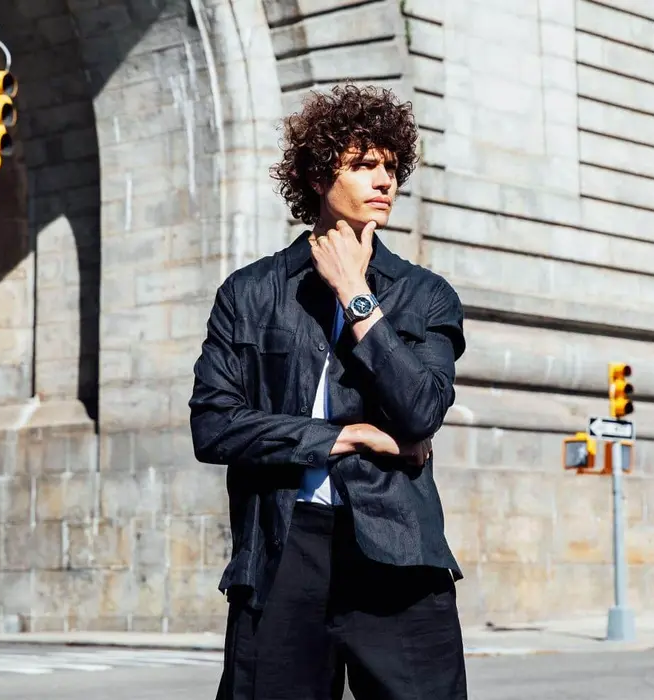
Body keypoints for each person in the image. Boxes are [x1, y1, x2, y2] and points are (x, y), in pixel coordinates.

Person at [190, 83, 468, 700]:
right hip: (283, 550)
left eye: (391, 167)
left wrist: (356, 295)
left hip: (398, 551)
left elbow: (421, 411)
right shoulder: (250, 292)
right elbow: (213, 426)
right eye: (364, 164)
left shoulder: (426, 296)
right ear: (318, 176)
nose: (384, 181)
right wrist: (350, 435)